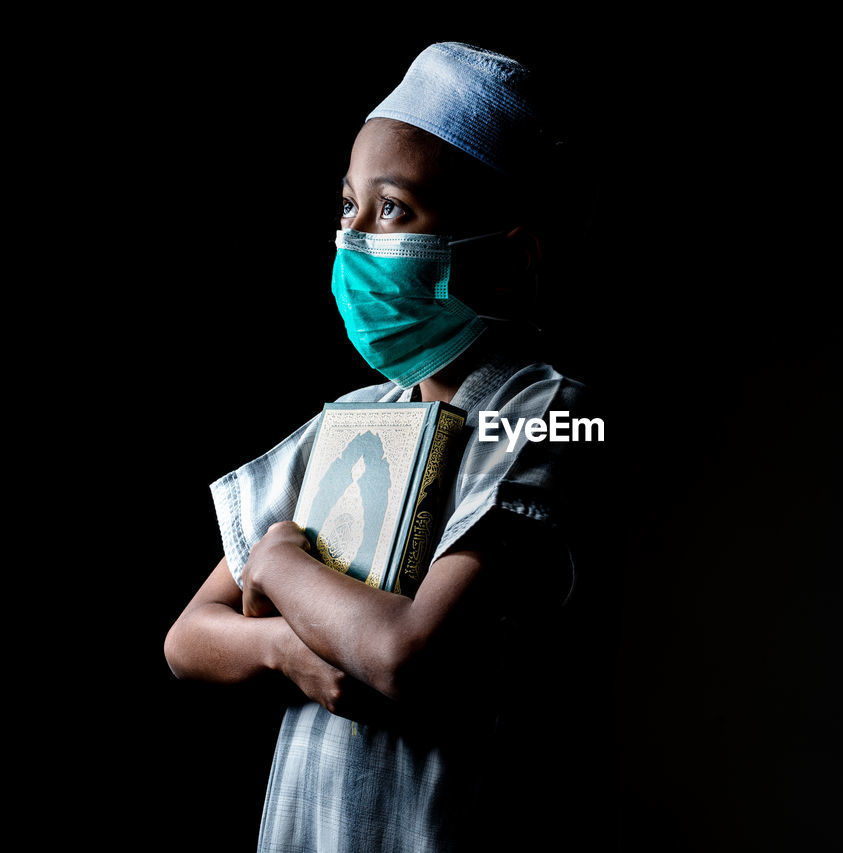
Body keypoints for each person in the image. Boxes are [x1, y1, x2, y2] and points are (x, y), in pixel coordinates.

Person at [164, 42, 612, 852]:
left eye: (394, 209)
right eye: (347, 207)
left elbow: (408, 656)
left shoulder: (547, 415)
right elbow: (187, 637)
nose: (353, 240)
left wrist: (275, 566)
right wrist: (279, 650)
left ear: (512, 261)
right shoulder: (353, 417)